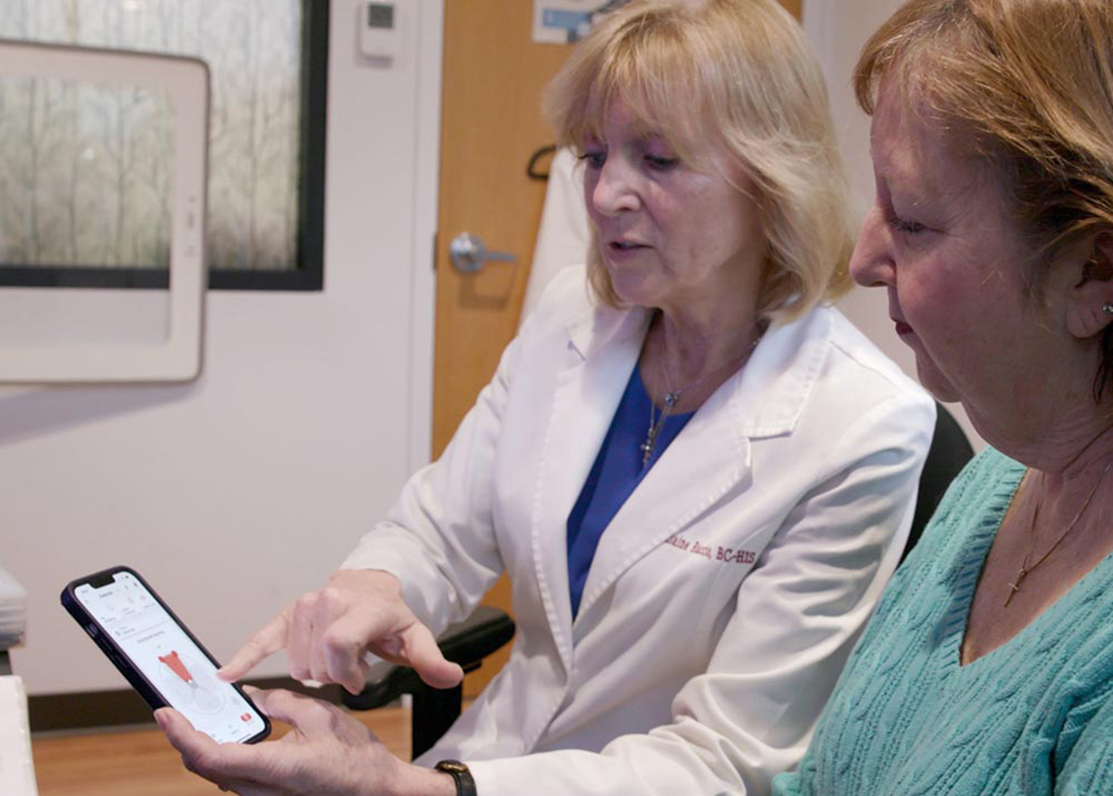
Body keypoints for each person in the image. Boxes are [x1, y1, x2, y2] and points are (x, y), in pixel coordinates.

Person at [157, 1, 935, 794]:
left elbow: (723, 762)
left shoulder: (862, 426)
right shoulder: (573, 317)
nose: (603, 196)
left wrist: (406, 788)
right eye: (595, 155)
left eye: (657, 160)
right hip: (484, 758)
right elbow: (437, 529)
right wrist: (374, 588)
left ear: (772, 175)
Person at [771, 1, 1113, 793]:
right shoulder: (994, 484)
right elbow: (823, 777)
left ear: (1092, 270)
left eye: (912, 221)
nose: (859, 259)